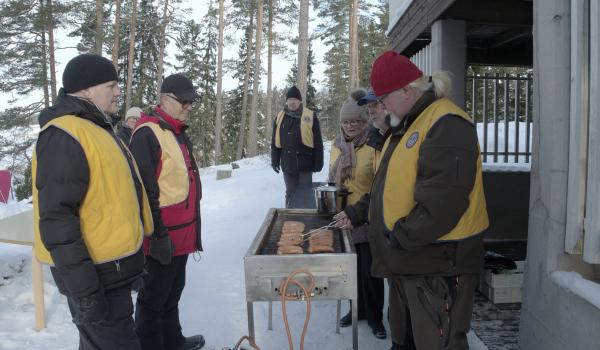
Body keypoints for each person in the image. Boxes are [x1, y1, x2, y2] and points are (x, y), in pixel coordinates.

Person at [336, 51, 489, 350]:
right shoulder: (405, 125)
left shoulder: (446, 123)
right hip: (408, 262)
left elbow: (444, 203)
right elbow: (388, 188)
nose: (381, 106)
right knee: (404, 342)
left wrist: (398, 237)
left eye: (385, 98)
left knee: (437, 343)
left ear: (407, 89)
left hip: (438, 265)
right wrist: (357, 214)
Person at [32, 53, 154, 350]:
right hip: (95, 276)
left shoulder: (97, 129)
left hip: (111, 271)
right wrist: (85, 292)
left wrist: (132, 264)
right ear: (86, 89)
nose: (118, 91)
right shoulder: (64, 135)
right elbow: (57, 219)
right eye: (111, 85)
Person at [129, 74, 204, 350]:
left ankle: (173, 341)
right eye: (183, 100)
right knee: (152, 302)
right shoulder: (147, 134)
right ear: (164, 99)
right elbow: (143, 192)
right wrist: (157, 236)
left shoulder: (176, 132)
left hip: (182, 236)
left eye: (191, 100)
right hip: (161, 239)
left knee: (172, 294)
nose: (188, 105)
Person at [330, 89, 386, 339]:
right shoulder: (337, 146)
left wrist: (358, 211)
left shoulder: (373, 144)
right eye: (346, 121)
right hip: (343, 217)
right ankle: (356, 309)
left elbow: (378, 185)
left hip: (367, 215)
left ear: (364, 122)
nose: (350, 126)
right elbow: (331, 178)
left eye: (356, 121)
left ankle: (375, 317)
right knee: (349, 270)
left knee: (370, 271)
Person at [271, 85, 324, 207]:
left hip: (305, 164)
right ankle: (289, 220)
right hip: (287, 164)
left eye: (295, 99)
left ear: (300, 101)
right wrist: (275, 160)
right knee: (290, 193)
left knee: (305, 194)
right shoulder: (280, 117)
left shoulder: (310, 116)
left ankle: (306, 222)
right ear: (287, 101)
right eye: (290, 99)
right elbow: (275, 141)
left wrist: (318, 162)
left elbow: (318, 142)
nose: (292, 102)